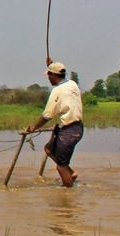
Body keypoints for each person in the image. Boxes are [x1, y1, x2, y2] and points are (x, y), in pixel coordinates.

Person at [23, 58, 84, 187]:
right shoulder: (72, 84)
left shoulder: (57, 91)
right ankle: (71, 173)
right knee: (49, 149)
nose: (48, 78)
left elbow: (47, 115)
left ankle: (68, 194)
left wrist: (34, 127)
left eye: (49, 75)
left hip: (69, 131)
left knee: (60, 167)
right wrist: (51, 65)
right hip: (77, 128)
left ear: (54, 75)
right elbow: (59, 72)